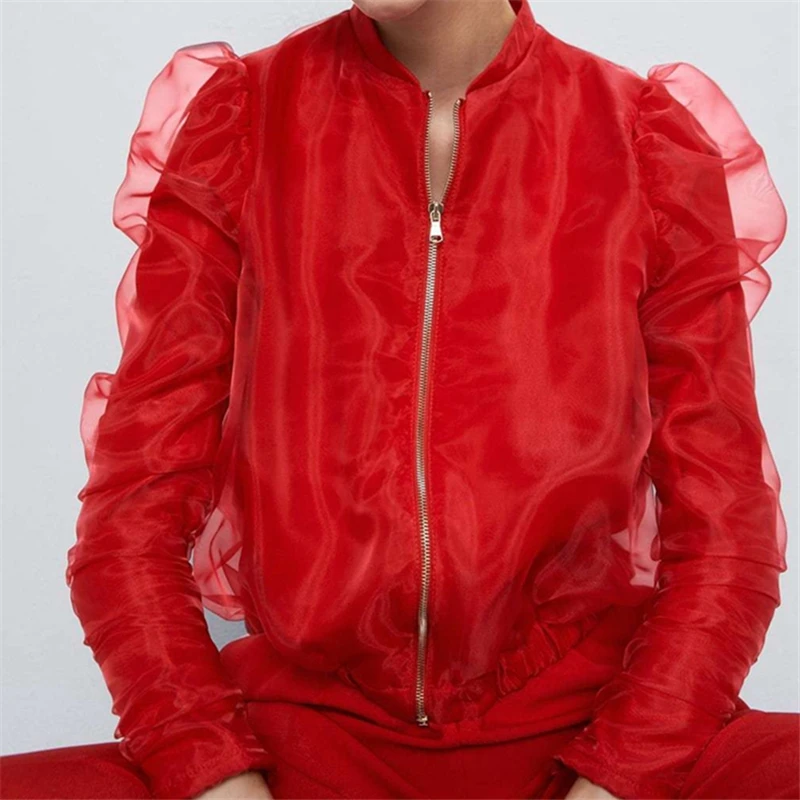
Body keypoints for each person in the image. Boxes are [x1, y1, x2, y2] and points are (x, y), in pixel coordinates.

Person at [1, 1, 797, 799]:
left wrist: (622, 775)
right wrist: (211, 772)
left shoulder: (643, 140)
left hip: (588, 728)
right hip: (303, 742)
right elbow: (130, 517)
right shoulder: (244, 119)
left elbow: (727, 530)